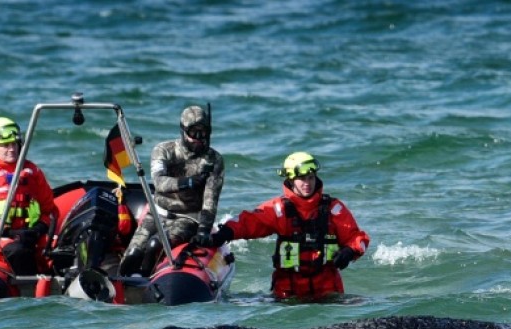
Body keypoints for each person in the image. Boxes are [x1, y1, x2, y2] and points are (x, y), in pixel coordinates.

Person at [202, 151, 369, 301]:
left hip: (328, 293)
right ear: (290, 179)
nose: (307, 183)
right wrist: (223, 234)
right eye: (302, 179)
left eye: (311, 178)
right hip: (287, 295)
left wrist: (350, 251)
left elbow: (358, 238)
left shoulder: (333, 209)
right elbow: (249, 222)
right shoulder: (278, 209)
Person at [119, 105, 224, 276]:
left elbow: (210, 199)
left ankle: (147, 286)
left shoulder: (214, 160)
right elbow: (159, 183)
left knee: (154, 245)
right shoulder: (164, 150)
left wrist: (204, 230)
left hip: (188, 219)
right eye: (193, 133)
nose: (199, 138)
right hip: (157, 214)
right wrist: (188, 182)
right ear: (183, 131)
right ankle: (119, 289)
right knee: (132, 255)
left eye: (203, 133)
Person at [0, 116, 55, 275]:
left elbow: (49, 210)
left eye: (14, 144)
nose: (12, 149)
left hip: (29, 233)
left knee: (62, 250)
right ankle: (29, 292)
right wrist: (8, 233)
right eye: (5, 145)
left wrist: (37, 230)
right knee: (19, 251)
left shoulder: (31, 171)